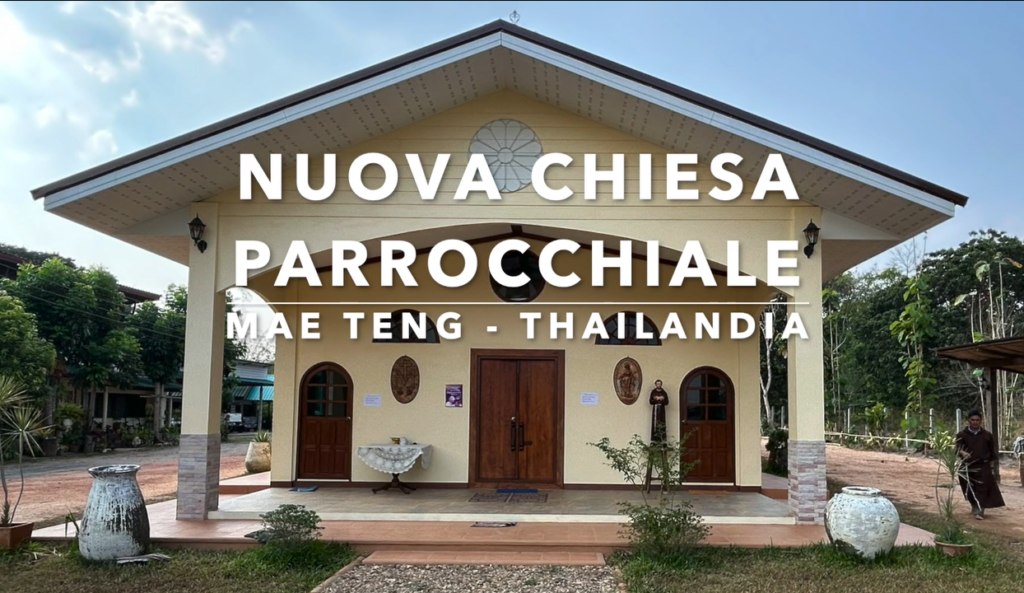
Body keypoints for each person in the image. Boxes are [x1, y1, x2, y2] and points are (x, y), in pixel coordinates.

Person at [955, 410, 1005, 520]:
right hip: (967, 466)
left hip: (982, 466)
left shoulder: (987, 435)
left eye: (977, 420)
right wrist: (963, 452)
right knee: (968, 487)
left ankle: (980, 510)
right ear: (968, 420)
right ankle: (974, 504)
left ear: (981, 421)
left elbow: (991, 452)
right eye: (972, 420)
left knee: (982, 488)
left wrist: (991, 467)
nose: (975, 422)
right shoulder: (962, 435)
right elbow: (957, 448)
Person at [649, 380, 669, 444]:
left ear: (661, 384)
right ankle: (655, 439)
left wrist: (662, 399)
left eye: (660, 384)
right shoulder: (653, 392)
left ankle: (662, 439)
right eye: (657, 384)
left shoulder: (664, 393)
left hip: (661, 409)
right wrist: (656, 399)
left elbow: (667, 402)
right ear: (655, 384)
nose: (658, 385)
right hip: (655, 409)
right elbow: (650, 401)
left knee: (662, 422)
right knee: (655, 423)